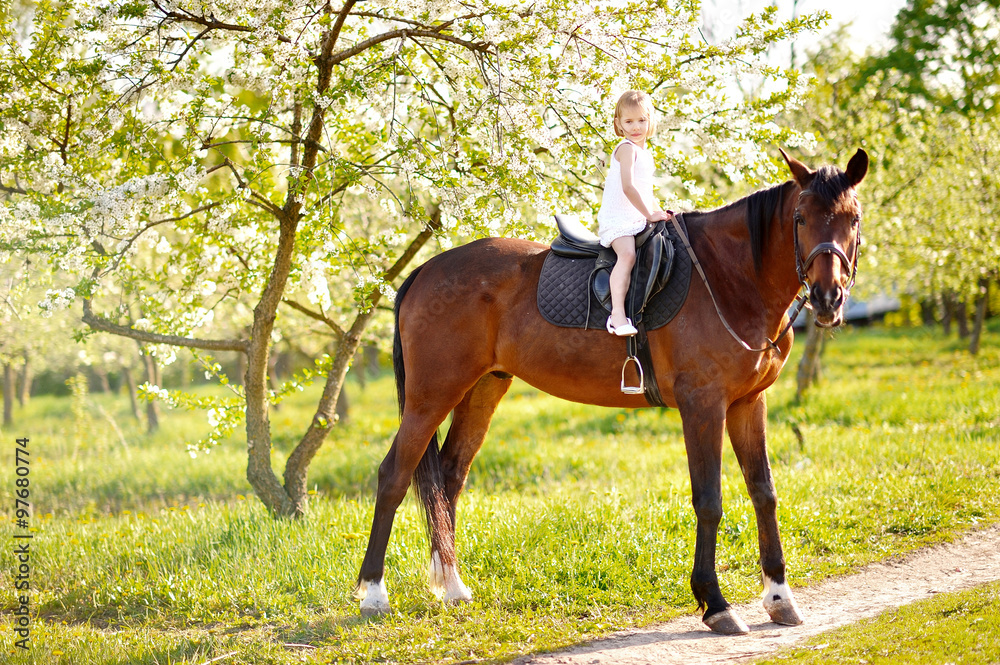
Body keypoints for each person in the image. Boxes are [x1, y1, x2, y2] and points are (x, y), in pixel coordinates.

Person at [597, 90, 671, 336]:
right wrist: (650, 214)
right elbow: (628, 187)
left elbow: (644, 189)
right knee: (627, 254)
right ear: (618, 124)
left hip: (636, 215)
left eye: (641, 120)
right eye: (628, 121)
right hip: (619, 218)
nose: (636, 127)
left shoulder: (645, 152)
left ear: (650, 120)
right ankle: (617, 315)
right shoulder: (626, 149)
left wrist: (657, 210)